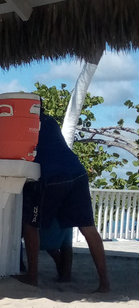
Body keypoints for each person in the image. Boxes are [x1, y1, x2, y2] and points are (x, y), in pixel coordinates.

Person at [17, 112, 109, 292]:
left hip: (52, 176)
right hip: (77, 171)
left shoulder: (25, 122)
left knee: (30, 225)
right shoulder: (49, 121)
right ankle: (104, 283)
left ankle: (32, 277)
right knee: (87, 228)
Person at [22, 181, 73, 282]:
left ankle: (63, 271)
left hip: (52, 191)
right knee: (66, 240)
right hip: (68, 188)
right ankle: (65, 274)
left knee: (46, 241)